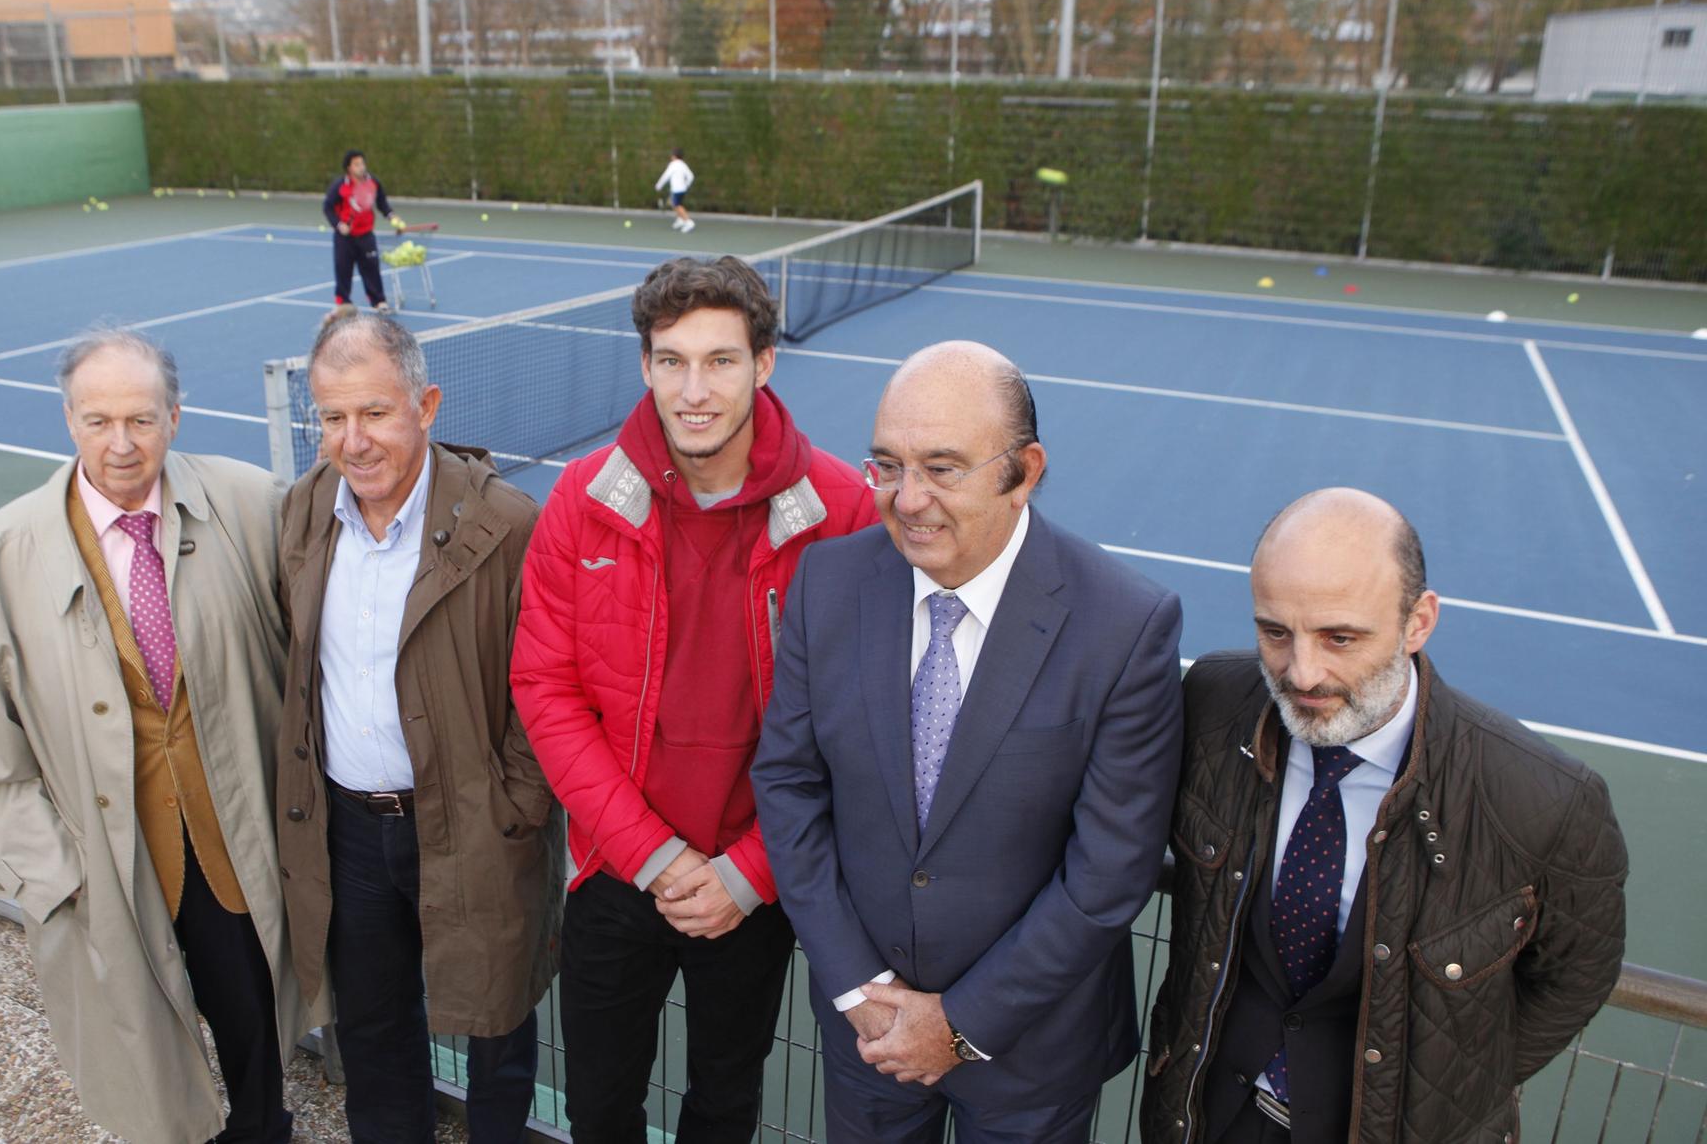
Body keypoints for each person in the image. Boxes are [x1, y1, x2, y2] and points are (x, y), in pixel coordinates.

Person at [751, 340, 1184, 1144]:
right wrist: (856, 986)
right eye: (886, 465)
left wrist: (955, 1024)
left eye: (942, 468)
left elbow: (1109, 871)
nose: (906, 499)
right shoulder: (826, 586)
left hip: (1031, 1056)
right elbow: (787, 784)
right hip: (867, 1035)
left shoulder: (1125, 625)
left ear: (1023, 471)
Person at [512, 255, 877, 1142]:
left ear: (764, 363)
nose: (694, 389)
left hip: (754, 885)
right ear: (643, 366)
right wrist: (653, 856)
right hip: (616, 875)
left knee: (725, 1103)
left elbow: (858, 724)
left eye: (720, 360)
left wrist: (749, 873)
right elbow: (545, 686)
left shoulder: (841, 510)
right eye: (671, 360)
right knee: (599, 1104)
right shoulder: (582, 498)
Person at [1139, 488, 1629, 1144]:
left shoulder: (1545, 797)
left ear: (1419, 620)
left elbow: (1575, 976)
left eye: (1340, 636)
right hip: (1214, 1117)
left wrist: (1443, 1089)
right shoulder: (1214, 703)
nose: (1302, 672)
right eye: (1275, 631)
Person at [0, 326, 299, 1144]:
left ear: (176, 416)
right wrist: (55, 878)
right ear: (68, 421)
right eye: (98, 421)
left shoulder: (252, 503)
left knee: (254, 1019)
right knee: (143, 1047)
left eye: (140, 419)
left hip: (229, 842)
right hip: (103, 863)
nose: (122, 443)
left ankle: (263, 1128)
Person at [274, 307, 563, 1144]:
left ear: (426, 406)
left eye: (375, 412)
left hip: (476, 824)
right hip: (350, 834)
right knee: (372, 1029)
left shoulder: (506, 523)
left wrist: (513, 807)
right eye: (332, 417)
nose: (353, 440)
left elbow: (545, 687)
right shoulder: (302, 513)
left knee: (496, 1026)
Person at [324, 150, 407, 308]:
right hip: (344, 238)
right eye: (357, 164)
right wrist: (339, 225)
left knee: (371, 268)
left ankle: (378, 300)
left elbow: (382, 203)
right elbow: (328, 208)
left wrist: (392, 217)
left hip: (366, 235)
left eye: (362, 163)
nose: (361, 167)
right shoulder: (339, 186)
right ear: (349, 168)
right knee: (343, 269)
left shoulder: (373, 182)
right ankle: (343, 303)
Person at [655, 148, 695, 233]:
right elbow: (691, 176)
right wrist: (686, 185)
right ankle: (680, 219)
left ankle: (689, 222)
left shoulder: (673, 165)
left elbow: (666, 176)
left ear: (674, 156)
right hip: (682, 189)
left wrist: (659, 185)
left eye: (672, 155)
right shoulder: (683, 165)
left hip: (677, 190)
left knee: (678, 205)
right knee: (674, 204)